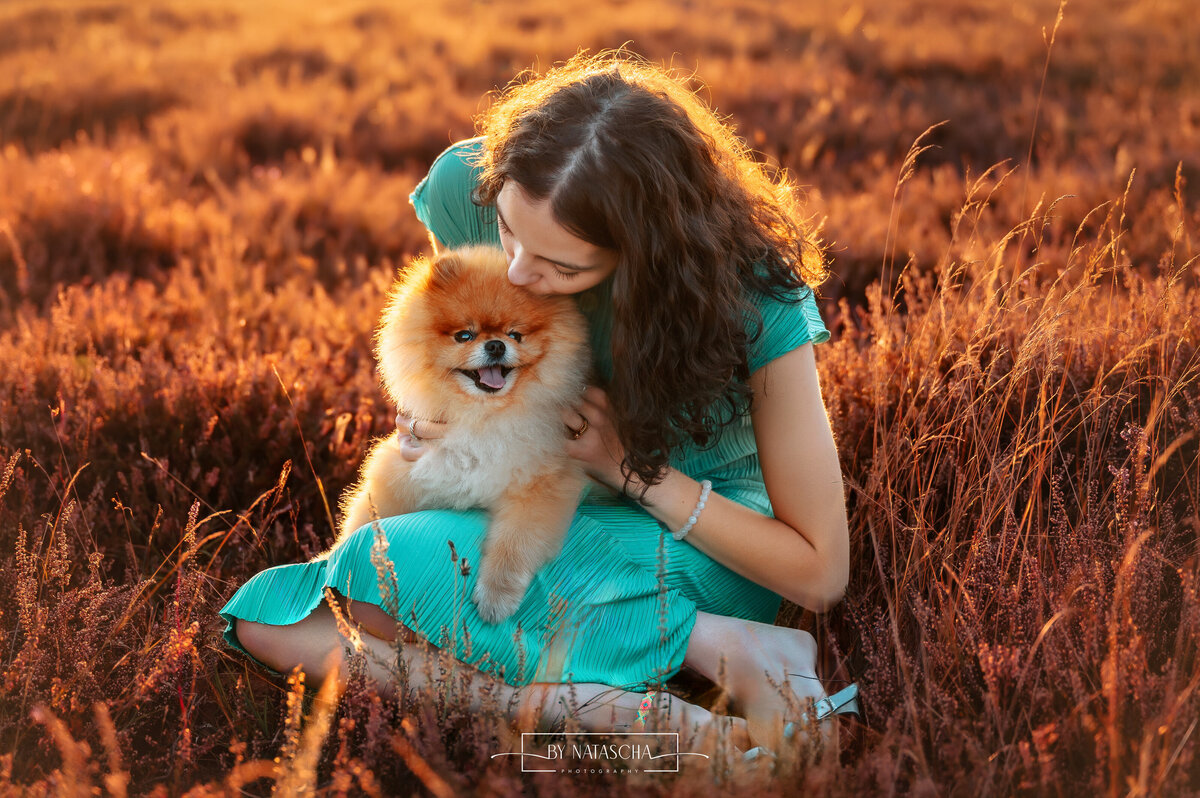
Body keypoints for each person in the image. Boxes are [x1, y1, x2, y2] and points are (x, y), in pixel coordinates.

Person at [219, 51, 858, 758]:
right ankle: (571, 706)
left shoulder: (756, 297)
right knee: (281, 619)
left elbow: (820, 572)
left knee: (371, 583)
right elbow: (475, 340)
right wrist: (448, 415)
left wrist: (631, 471)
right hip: (541, 504)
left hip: (693, 535)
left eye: (563, 267)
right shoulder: (472, 185)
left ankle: (711, 632)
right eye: (509, 235)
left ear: (647, 253)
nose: (520, 272)